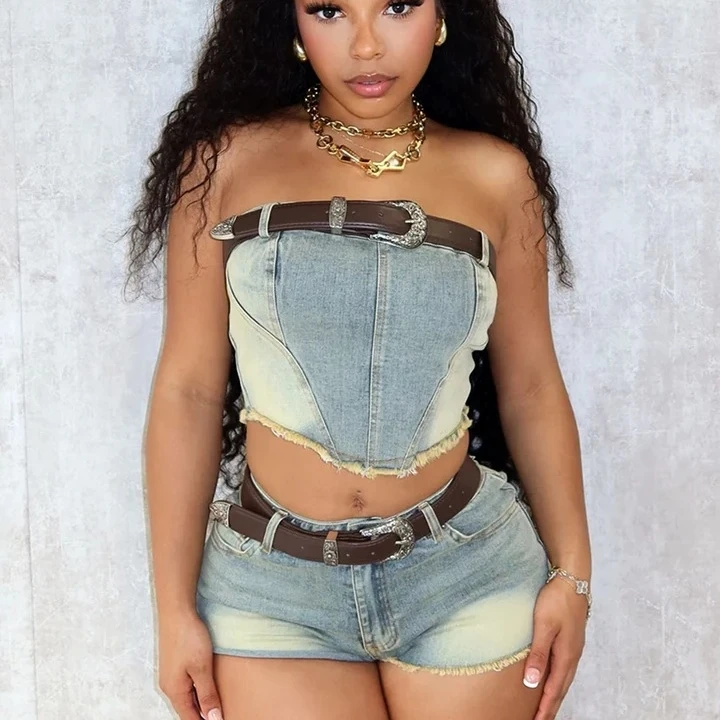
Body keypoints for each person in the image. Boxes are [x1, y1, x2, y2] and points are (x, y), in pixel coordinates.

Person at [122, 1, 593, 719]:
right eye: (329, 10)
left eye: (397, 6)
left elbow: (531, 387)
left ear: (444, 15)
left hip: (469, 573)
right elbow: (187, 390)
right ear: (288, 21)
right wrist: (173, 611)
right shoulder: (222, 164)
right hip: (270, 590)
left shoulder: (498, 176)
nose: (367, 45)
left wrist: (573, 575)